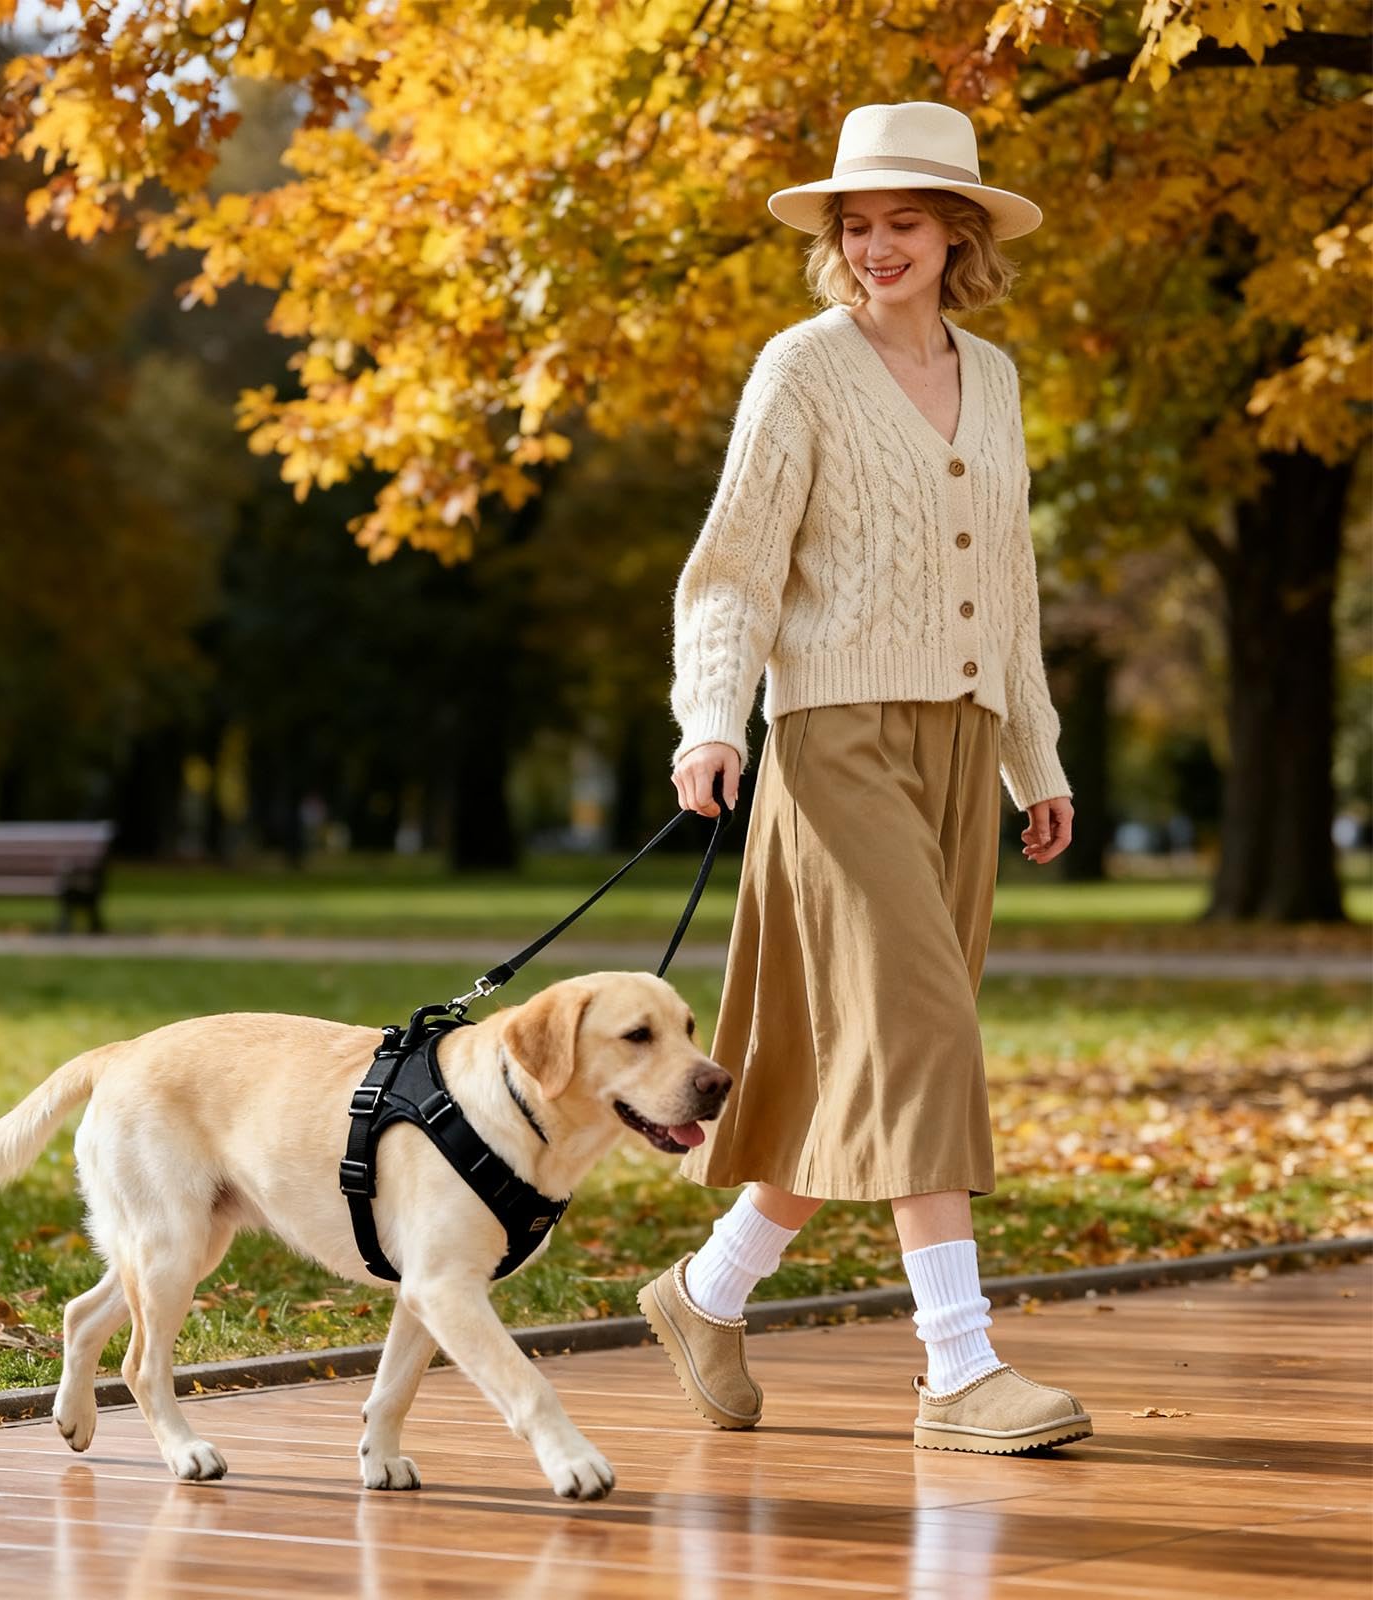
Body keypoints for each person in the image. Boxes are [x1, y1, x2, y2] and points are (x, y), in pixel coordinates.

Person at [636, 102, 1093, 1455]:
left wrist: (1035, 752)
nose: (875, 246)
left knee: (868, 1055)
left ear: (959, 232)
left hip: (960, 745)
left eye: (902, 223)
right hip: (835, 744)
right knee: (920, 1035)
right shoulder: (801, 369)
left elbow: (1008, 586)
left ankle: (708, 1290)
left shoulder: (996, 376)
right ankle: (959, 1363)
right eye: (855, 226)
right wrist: (712, 720)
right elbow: (732, 571)